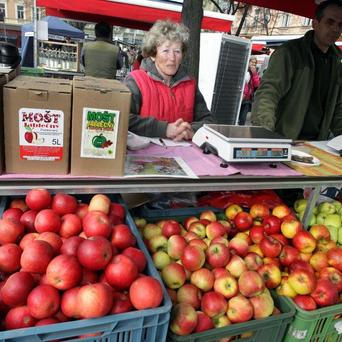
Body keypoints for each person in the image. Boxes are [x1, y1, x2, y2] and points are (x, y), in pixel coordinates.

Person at [251, 0, 342, 140]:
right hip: (284, 140)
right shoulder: (289, 53)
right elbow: (268, 93)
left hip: (318, 146)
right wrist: (265, 134)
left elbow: (339, 108)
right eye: (330, 22)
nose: (335, 29)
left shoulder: (337, 61)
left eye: (340, 25)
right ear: (315, 23)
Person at [124, 20, 214, 141]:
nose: (172, 58)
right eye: (166, 51)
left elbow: (208, 121)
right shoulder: (136, 81)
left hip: (184, 156)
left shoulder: (190, 84)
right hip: (145, 156)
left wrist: (191, 130)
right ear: (153, 54)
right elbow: (124, 119)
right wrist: (164, 129)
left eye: (177, 51)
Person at [239, 56, 260, 125]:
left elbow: (257, 84)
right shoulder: (244, 70)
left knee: (242, 118)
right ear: (248, 62)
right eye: (252, 62)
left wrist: (254, 74)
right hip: (240, 97)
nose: (253, 64)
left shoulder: (254, 73)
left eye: (255, 63)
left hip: (247, 100)